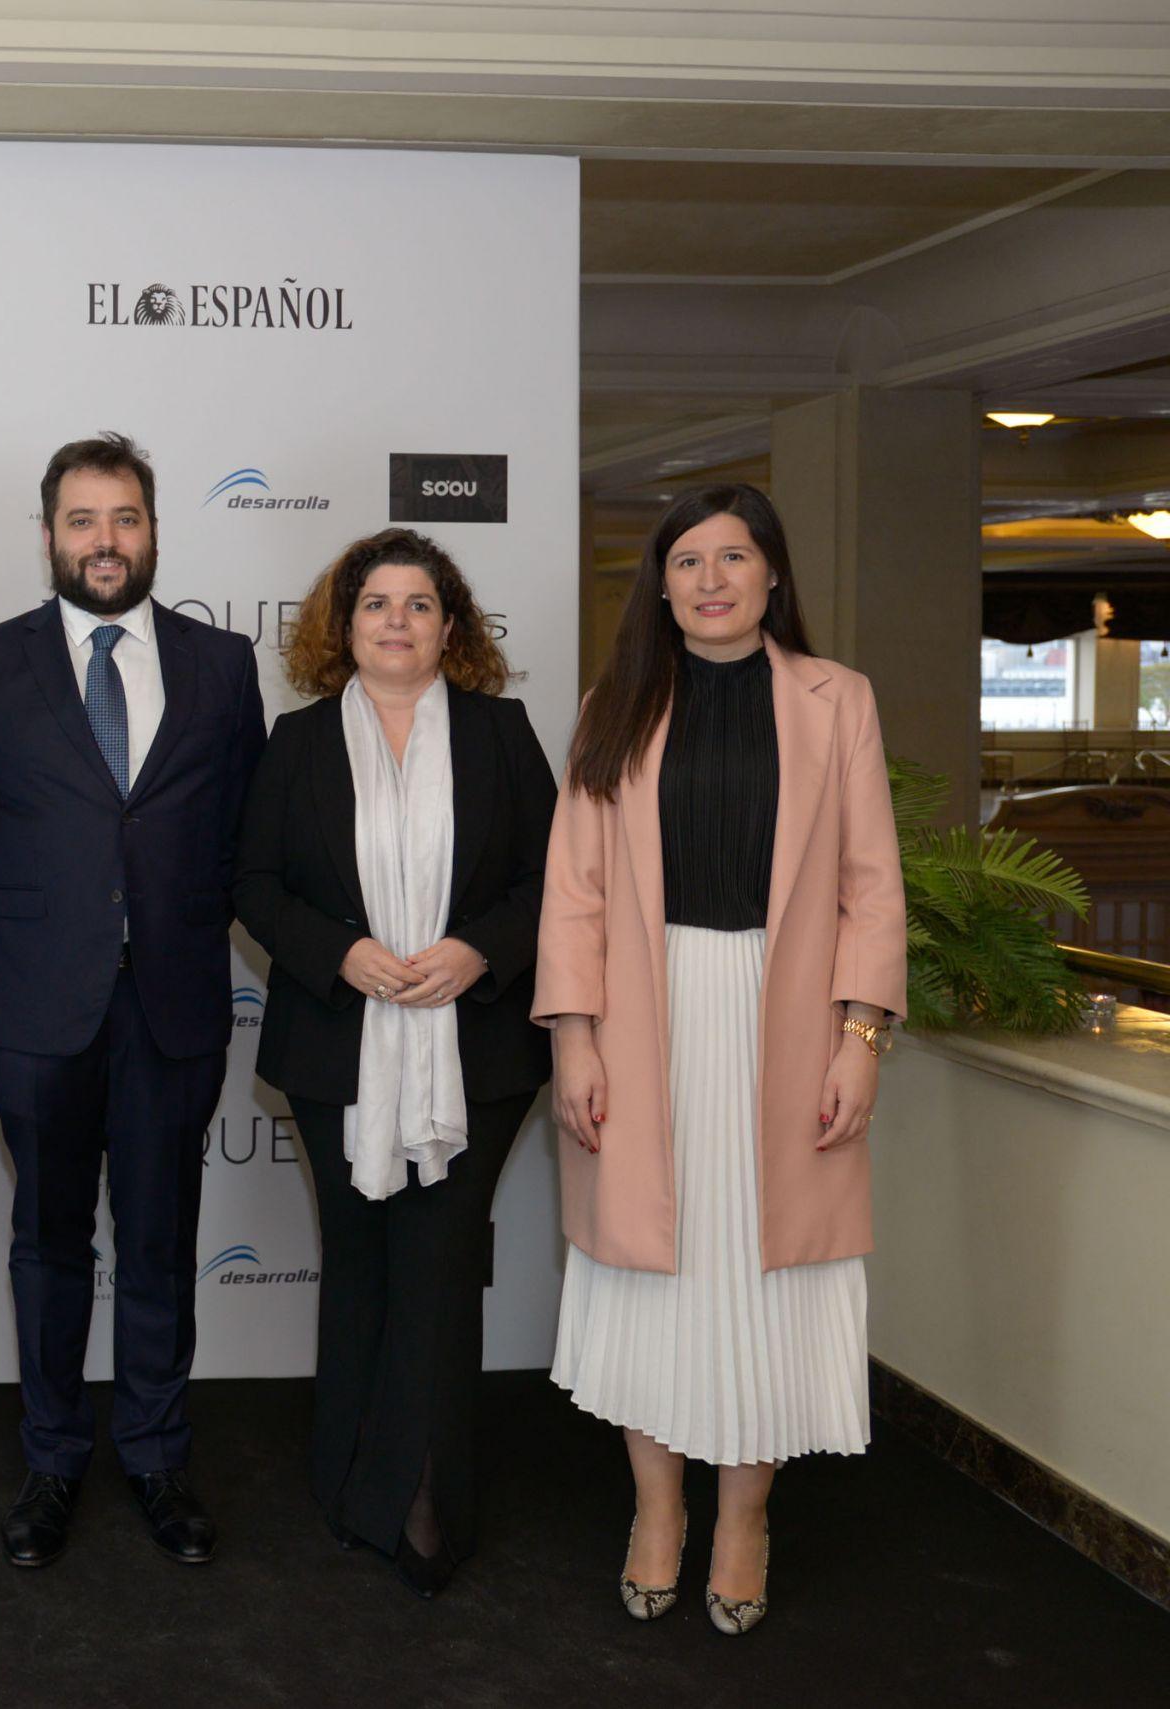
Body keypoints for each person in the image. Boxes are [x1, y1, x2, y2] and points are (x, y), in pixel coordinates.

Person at [536, 483, 905, 1635]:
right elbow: (575, 895)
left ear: (771, 575)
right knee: (650, 1272)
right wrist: (575, 1038)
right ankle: (657, 1513)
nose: (708, 578)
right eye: (685, 560)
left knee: (766, 1276)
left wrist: (858, 1035)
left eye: (731, 557)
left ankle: (743, 1517)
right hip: (644, 1019)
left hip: (788, 1019)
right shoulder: (616, 704)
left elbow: (868, 883)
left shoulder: (836, 700)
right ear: (661, 583)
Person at [0, 432, 265, 1569]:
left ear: (154, 529)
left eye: (124, 518)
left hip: (173, 1002)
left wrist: (161, 928)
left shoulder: (222, 664)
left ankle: (157, 1452)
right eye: (81, 521)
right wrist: (47, 940)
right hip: (40, 1007)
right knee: (48, 1242)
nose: (104, 541)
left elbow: (239, 837)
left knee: (161, 1242)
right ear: (47, 536)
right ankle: (51, 1456)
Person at [232, 527, 553, 1598]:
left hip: (479, 1050)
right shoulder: (298, 739)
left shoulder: (503, 736)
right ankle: (348, 1479)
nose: (397, 621)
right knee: (359, 1261)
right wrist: (343, 953)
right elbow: (257, 882)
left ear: (449, 627)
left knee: (440, 1269)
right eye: (376, 603)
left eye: (418, 604)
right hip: (339, 1048)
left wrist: (476, 951)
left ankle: (424, 1501)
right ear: (345, 624)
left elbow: (553, 878)